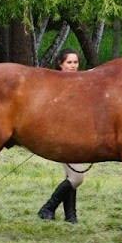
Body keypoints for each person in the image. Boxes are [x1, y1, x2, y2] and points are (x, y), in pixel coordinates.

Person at [37, 48, 88, 223]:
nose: (73, 66)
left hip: (78, 137)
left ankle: (71, 216)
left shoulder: (81, 82)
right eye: (69, 62)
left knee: (71, 177)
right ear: (60, 64)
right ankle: (48, 207)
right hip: (62, 137)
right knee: (77, 177)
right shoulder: (56, 84)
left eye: (75, 62)